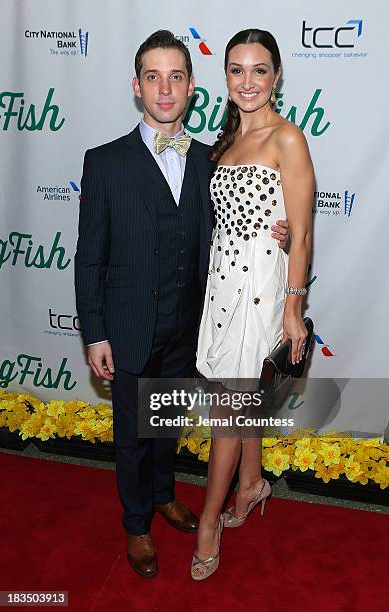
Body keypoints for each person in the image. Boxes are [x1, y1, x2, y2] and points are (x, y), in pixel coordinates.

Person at [74, 29, 289, 579]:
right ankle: (137, 524)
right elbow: (88, 255)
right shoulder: (104, 162)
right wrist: (95, 333)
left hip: (190, 326)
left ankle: (166, 494)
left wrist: (279, 232)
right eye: (153, 77)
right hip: (127, 327)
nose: (165, 90)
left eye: (176, 77)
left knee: (165, 423)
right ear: (137, 87)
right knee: (131, 434)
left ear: (192, 88)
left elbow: (235, 225)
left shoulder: (208, 161)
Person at [193, 29, 314, 580]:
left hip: (261, 292)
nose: (248, 81)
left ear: (277, 76)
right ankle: (250, 483)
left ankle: (208, 523)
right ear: (225, 78)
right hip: (222, 288)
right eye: (237, 70)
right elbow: (236, 221)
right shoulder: (225, 142)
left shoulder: (287, 139)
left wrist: (292, 308)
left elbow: (303, 235)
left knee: (227, 410)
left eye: (259, 70)